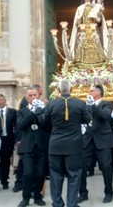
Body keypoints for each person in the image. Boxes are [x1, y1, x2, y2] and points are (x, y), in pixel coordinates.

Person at [35, 79, 92, 207]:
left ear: (59, 90)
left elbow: (44, 122)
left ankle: (57, 203)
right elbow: (87, 119)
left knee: (56, 175)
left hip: (56, 145)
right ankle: (72, 204)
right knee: (74, 175)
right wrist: (88, 108)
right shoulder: (80, 103)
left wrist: (38, 111)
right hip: (74, 145)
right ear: (71, 90)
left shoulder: (51, 104)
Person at [77, 84, 113, 204]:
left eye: (92, 90)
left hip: (103, 139)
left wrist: (93, 105)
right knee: (81, 166)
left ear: (98, 92)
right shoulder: (86, 104)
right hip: (88, 139)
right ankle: (83, 193)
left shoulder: (107, 104)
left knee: (106, 166)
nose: (90, 92)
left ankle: (109, 192)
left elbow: (105, 116)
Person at [17, 86, 49, 207]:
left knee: (41, 173)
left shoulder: (45, 109)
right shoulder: (21, 111)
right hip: (27, 147)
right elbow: (21, 125)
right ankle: (25, 198)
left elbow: (46, 124)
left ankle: (37, 196)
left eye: (34, 95)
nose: (32, 97)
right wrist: (33, 113)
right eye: (30, 95)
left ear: (39, 95)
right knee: (28, 173)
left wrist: (39, 111)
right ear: (26, 97)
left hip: (42, 146)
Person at [69, 0, 109, 65]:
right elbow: (77, 23)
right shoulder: (80, 8)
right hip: (84, 32)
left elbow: (99, 21)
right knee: (82, 46)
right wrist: (79, 21)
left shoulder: (95, 7)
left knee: (96, 45)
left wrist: (98, 14)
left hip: (94, 32)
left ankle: (99, 63)